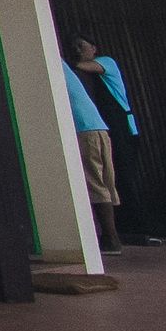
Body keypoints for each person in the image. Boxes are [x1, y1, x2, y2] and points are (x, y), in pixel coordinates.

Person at [62, 34, 148, 250]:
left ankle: (119, 234)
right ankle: (117, 232)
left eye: (82, 46)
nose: (78, 51)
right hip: (102, 126)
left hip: (117, 127)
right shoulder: (80, 75)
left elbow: (83, 65)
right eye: (74, 47)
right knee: (109, 180)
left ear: (94, 47)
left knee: (112, 179)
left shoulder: (105, 63)